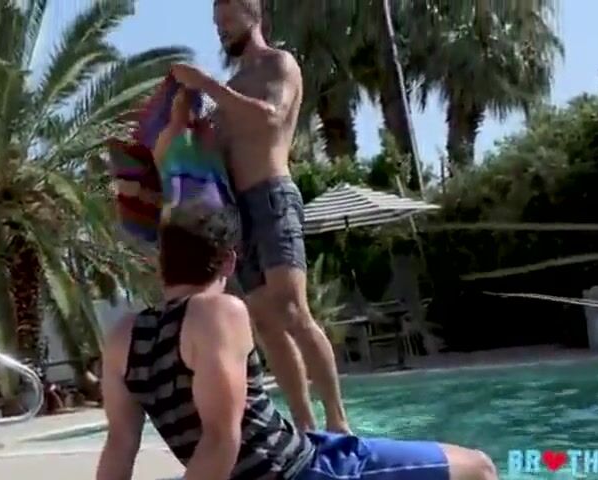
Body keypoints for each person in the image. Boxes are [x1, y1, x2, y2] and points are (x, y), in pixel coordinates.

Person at [95, 202, 499, 480]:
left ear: (161, 266)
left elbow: (120, 444)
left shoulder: (122, 337)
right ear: (229, 261)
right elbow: (221, 439)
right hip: (299, 471)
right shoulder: (219, 312)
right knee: (478, 468)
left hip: (303, 450)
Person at [167, 0, 346, 433]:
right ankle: (306, 427)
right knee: (265, 321)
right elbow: (213, 153)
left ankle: (339, 423)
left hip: (271, 194)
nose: (223, 31)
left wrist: (207, 85)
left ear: (255, 15)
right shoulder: (229, 87)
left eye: (228, 20)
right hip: (238, 209)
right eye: (218, 25)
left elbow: (271, 118)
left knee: (291, 308)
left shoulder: (277, 64)